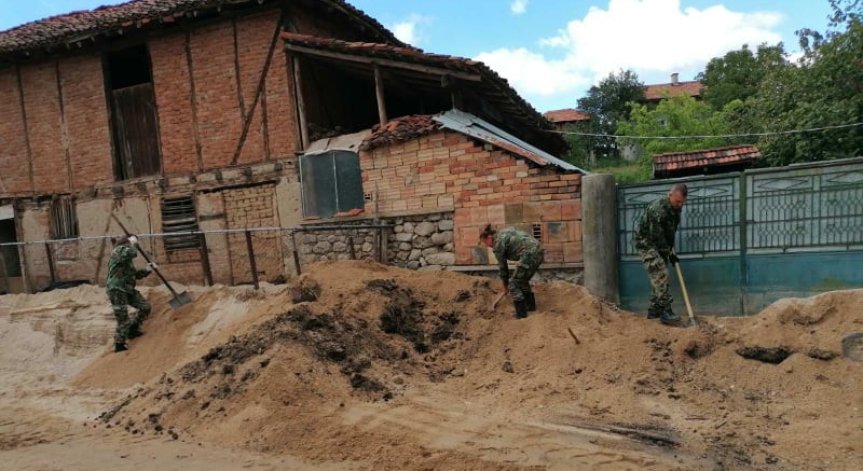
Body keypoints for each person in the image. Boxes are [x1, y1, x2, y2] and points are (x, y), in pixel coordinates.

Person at [634, 183, 688, 326]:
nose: (680, 205)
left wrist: (670, 250)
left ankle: (654, 311)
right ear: (669, 195)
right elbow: (656, 236)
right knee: (661, 274)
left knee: (659, 278)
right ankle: (665, 310)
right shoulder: (658, 209)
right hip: (647, 243)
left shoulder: (676, 209)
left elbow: (670, 232)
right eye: (677, 201)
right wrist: (667, 251)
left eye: (682, 202)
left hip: (661, 244)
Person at [480, 225, 544, 319]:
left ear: (489, 238)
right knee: (521, 280)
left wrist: (505, 286)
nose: (487, 245)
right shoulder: (503, 233)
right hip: (539, 251)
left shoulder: (498, 245)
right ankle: (530, 307)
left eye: (485, 242)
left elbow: (503, 269)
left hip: (529, 254)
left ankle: (521, 314)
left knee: (513, 283)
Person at [106, 235, 154, 352]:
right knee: (122, 318)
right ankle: (119, 343)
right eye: (131, 243)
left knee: (145, 307)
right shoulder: (118, 251)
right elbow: (131, 253)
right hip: (117, 289)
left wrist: (147, 270)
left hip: (127, 289)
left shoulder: (127, 260)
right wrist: (134, 243)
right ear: (126, 242)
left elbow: (134, 275)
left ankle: (132, 329)